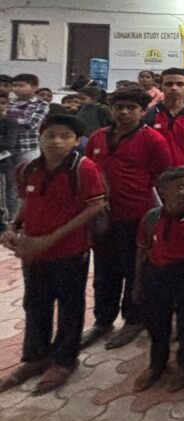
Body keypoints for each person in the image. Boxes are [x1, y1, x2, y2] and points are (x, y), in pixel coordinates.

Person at [0, 114, 105, 395]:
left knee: (70, 306)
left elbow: (94, 207)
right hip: (33, 252)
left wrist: (50, 239)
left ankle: (63, 359)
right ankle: (35, 357)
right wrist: (14, 227)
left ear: (75, 141)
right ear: (40, 137)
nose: (56, 141)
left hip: (70, 250)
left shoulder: (84, 168)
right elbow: (28, 203)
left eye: (64, 136)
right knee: (35, 304)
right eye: (50, 135)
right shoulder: (27, 169)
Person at [83, 87, 175, 349]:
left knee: (134, 269)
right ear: (111, 109)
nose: (124, 112)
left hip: (137, 216)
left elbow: (163, 178)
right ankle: (103, 320)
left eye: (131, 108)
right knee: (104, 269)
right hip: (102, 217)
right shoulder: (97, 137)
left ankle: (134, 320)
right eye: (119, 107)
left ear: (143, 111)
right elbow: (88, 174)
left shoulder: (153, 140)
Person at [131, 168, 184, 393]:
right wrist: (138, 283)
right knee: (157, 323)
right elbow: (142, 252)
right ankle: (156, 363)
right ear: (162, 191)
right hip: (156, 275)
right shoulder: (151, 218)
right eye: (180, 187)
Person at [4, 74, 49, 221]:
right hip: (7, 150)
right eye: (15, 85)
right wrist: (14, 118)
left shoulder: (41, 104)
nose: (16, 88)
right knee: (11, 186)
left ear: (34, 87)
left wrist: (8, 118)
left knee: (29, 183)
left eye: (21, 85)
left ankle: (29, 218)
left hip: (28, 149)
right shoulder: (9, 102)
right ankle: (12, 219)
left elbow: (31, 124)